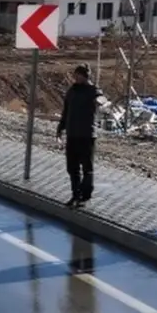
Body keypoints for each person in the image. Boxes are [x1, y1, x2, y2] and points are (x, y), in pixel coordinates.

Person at [56, 64, 99, 207]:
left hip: (87, 135)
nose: (76, 77)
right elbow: (66, 111)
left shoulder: (93, 91)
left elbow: (102, 101)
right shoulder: (72, 91)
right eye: (75, 75)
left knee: (87, 168)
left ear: (85, 76)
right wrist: (60, 129)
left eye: (79, 75)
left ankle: (85, 196)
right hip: (72, 134)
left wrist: (102, 103)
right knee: (72, 168)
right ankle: (75, 194)